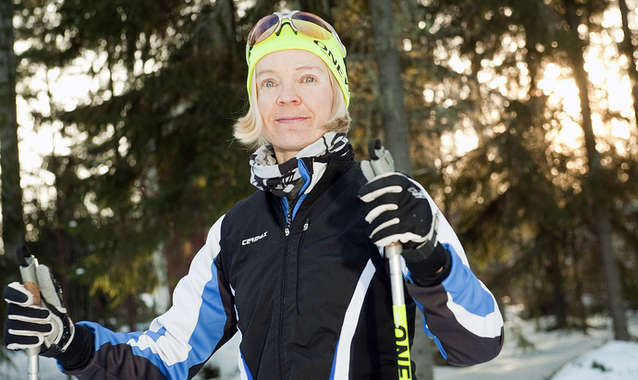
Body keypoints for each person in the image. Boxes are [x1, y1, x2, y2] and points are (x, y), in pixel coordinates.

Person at [4, 10, 504, 380]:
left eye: (307, 78)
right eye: (269, 82)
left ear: (337, 96)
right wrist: (69, 342)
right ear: (255, 102)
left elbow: (477, 342)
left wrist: (427, 256)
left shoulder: (389, 201)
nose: (286, 96)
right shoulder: (235, 231)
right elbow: (166, 354)